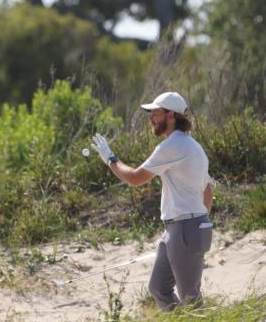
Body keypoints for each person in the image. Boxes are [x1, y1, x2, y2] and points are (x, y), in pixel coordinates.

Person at [90, 91, 213, 311]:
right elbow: (208, 189)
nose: (151, 118)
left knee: (191, 299)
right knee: (158, 288)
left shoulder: (173, 145)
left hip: (185, 228)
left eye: (155, 113)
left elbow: (135, 178)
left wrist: (110, 158)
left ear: (171, 116)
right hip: (180, 228)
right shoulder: (192, 146)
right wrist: (201, 221)